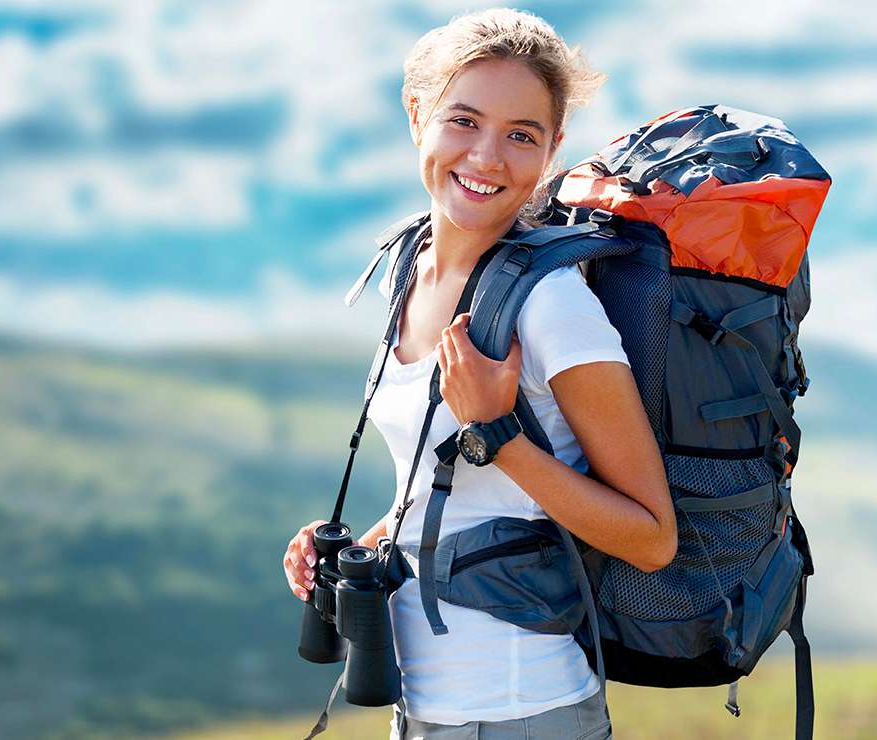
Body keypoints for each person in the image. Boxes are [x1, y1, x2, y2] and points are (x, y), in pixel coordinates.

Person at [283, 9, 676, 739]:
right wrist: (355, 547)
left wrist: (499, 434)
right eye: (464, 121)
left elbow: (652, 537)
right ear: (417, 117)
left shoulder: (553, 304)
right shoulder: (409, 268)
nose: (488, 157)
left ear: (553, 148)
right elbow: (446, 493)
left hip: (524, 707)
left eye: (522, 135)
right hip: (424, 709)